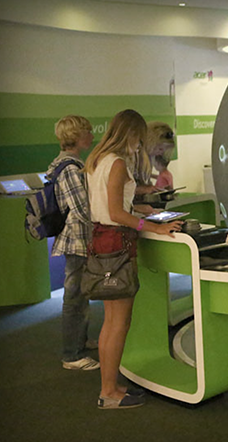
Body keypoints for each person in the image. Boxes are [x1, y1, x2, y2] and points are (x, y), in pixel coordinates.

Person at [85, 109, 183, 409]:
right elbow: (116, 213)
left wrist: (141, 210)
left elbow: (109, 205)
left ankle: (109, 385)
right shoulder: (116, 164)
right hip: (117, 243)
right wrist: (154, 226)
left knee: (111, 322)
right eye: (139, 139)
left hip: (102, 241)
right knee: (119, 323)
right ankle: (109, 393)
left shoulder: (98, 161)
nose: (140, 146)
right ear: (130, 134)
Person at [50, 115, 99, 371]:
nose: (91, 135)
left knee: (80, 294)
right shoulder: (70, 167)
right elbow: (81, 208)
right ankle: (71, 354)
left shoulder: (68, 164)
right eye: (87, 131)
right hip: (77, 239)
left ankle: (79, 342)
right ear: (76, 136)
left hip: (78, 238)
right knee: (74, 297)